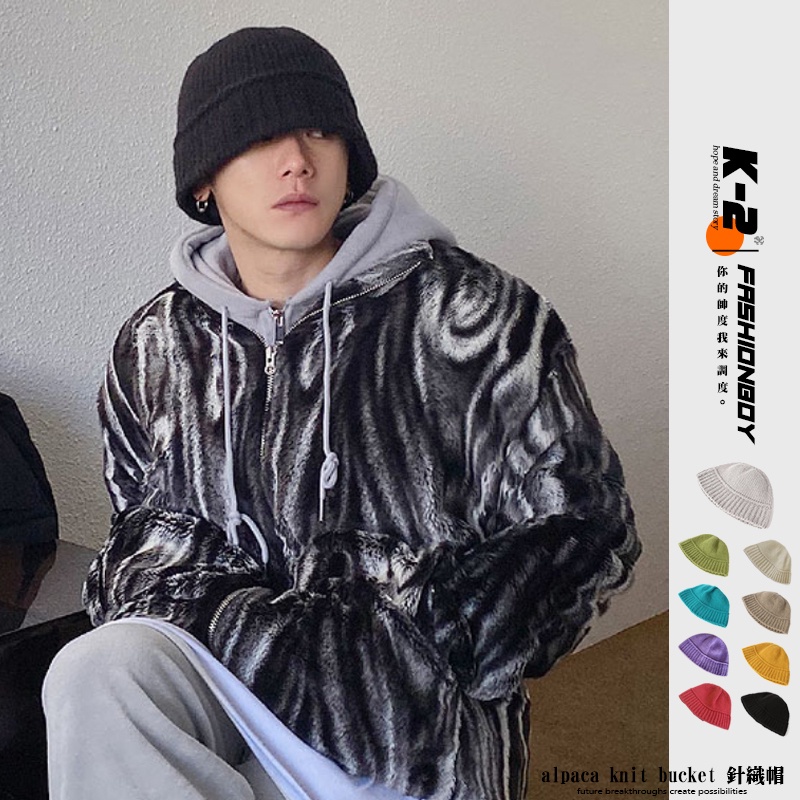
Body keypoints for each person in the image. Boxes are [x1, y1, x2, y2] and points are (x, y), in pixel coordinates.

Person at [42, 26, 641, 800]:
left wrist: (427, 643)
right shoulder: (157, 343)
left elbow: (588, 524)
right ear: (203, 182)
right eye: (259, 136)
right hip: (224, 678)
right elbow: (141, 534)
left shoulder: (473, 315)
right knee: (95, 672)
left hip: (406, 725)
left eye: (320, 131)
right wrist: (259, 633)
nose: (297, 159)